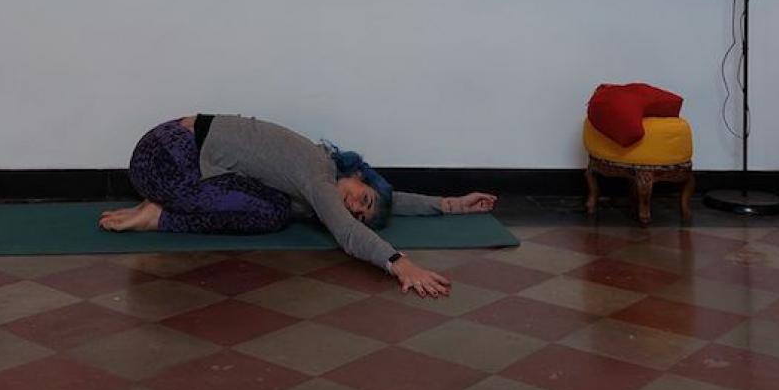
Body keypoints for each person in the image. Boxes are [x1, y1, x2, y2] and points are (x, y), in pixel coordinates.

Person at [100, 114, 497, 297]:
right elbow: (347, 233)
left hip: (164, 155)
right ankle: (160, 215)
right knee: (271, 213)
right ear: (359, 174)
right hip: (166, 158)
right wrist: (401, 264)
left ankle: (163, 205)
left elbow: (389, 203)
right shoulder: (318, 172)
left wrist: (451, 205)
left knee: (278, 206)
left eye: (359, 213)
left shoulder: (317, 173)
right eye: (362, 198)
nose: (352, 207)